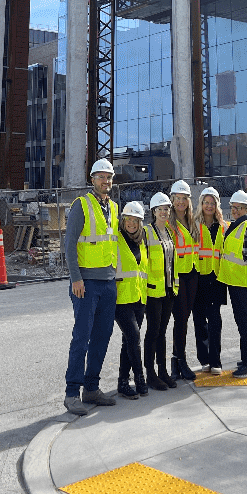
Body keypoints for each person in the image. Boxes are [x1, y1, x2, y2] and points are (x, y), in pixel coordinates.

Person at [62, 158, 122, 415]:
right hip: (86, 283)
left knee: (102, 336)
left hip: (108, 282)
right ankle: (72, 393)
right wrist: (76, 278)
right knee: (81, 338)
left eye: (109, 177)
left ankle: (92, 388)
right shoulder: (81, 205)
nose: (105, 181)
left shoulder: (114, 207)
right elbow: (70, 244)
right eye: (101, 177)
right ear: (92, 179)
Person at [218, 189, 247, 379]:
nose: (234, 210)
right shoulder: (237, 225)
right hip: (237, 280)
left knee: (244, 322)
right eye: (233, 207)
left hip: (242, 281)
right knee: (245, 320)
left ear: (246, 209)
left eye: (239, 208)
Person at [113, 201, 152, 399]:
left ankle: (122, 382)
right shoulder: (116, 238)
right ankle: (139, 378)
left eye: (135, 220)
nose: (131, 224)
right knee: (134, 337)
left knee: (128, 341)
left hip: (139, 297)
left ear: (140, 222)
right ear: (123, 220)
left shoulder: (142, 241)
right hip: (120, 298)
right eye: (128, 219)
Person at [143, 192, 178, 391]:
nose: (163, 212)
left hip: (168, 290)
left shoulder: (170, 233)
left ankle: (162, 371)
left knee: (162, 332)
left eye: (166, 209)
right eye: (160, 209)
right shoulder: (147, 231)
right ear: (153, 211)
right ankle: (150, 374)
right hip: (153, 292)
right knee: (153, 332)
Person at [167, 179, 200, 382]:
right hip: (177, 276)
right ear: (172, 200)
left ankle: (176, 361)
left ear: (189, 200)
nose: (180, 202)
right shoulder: (169, 222)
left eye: (184, 198)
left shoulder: (192, 221)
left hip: (192, 274)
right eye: (177, 198)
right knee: (180, 319)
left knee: (184, 319)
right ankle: (179, 361)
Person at [195, 186, 227, 376]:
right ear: (201, 204)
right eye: (206, 202)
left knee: (215, 320)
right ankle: (204, 359)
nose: (209, 206)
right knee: (199, 320)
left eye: (212, 203)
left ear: (217, 205)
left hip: (216, 279)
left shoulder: (224, 226)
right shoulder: (194, 224)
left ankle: (216, 360)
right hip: (198, 278)